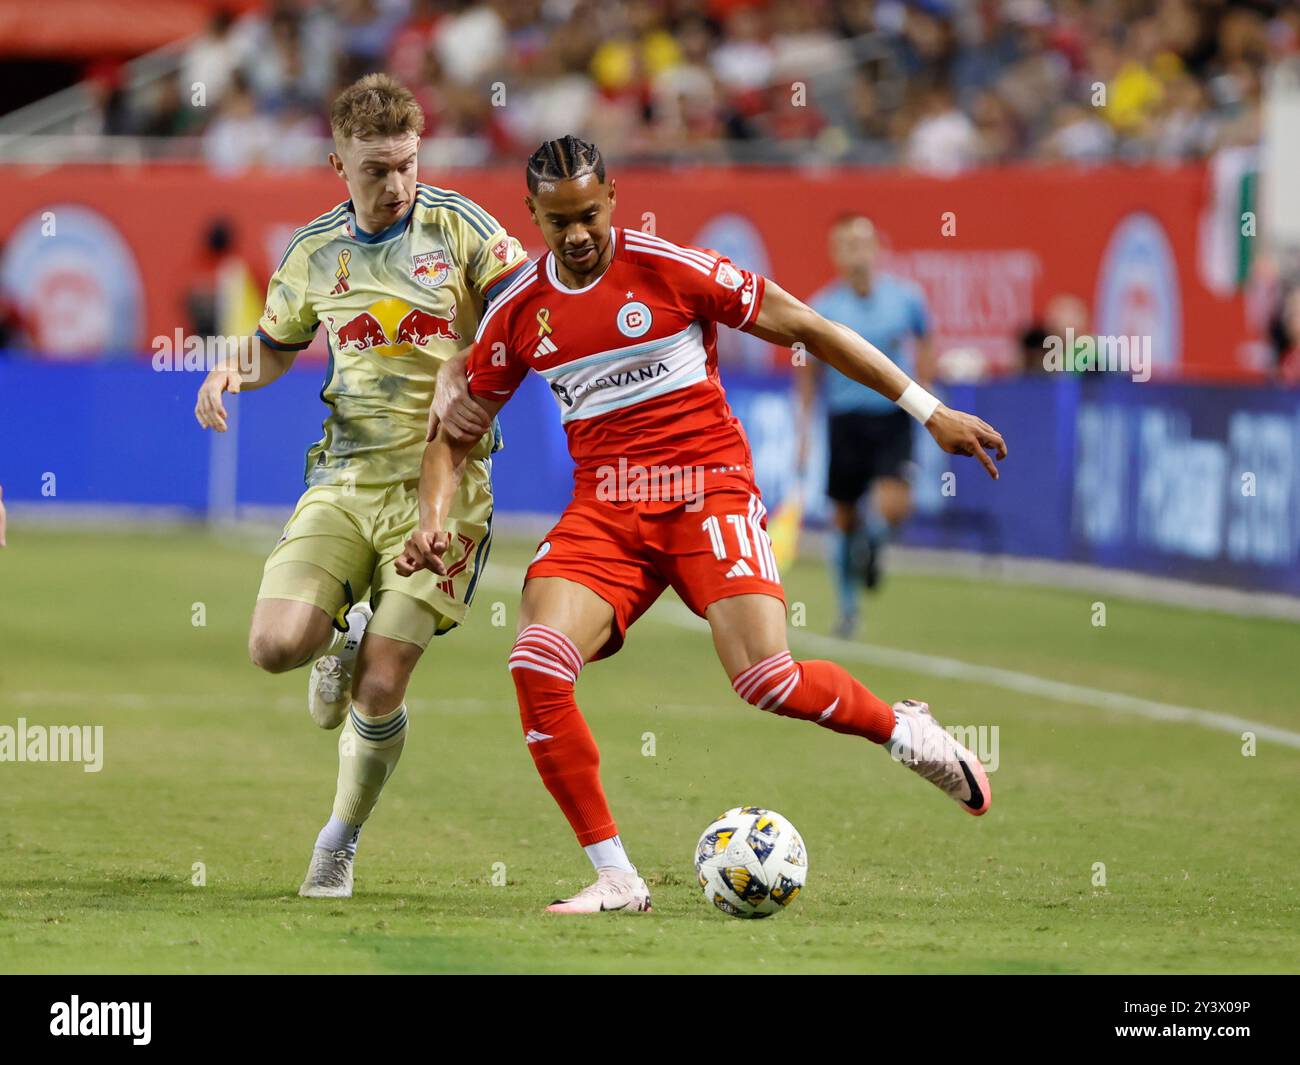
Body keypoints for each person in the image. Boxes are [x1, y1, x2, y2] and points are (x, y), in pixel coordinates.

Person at [400, 136, 1006, 915]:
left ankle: (905, 729)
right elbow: (453, 434)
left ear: (613, 197)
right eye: (559, 222)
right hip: (606, 509)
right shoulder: (519, 310)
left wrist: (931, 410)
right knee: (536, 662)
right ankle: (617, 876)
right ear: (533, 219)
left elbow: (810, 329)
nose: (579, 234)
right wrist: (433, 520)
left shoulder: (672, 268)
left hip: (706, 492)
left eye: (589, 214)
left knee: (767, 679)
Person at [194, 74, 527, 899]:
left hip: (446, 486)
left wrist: (477, 360)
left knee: (383, 680)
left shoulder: (462, 230)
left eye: (408, 163)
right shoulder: (314, 253)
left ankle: (338, 841)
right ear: (335, 161)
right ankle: (337, 635)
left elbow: (530, 308)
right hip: (345, 476)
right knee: (274, 646)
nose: (396, 183)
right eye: (376, 168)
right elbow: (277, 342)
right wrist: (231, 370)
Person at [798, 214, 934, 637]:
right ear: (835, 253)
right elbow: (807, 373)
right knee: (843, 517)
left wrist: (928, 403)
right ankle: (849, 608)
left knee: (893, 506)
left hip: (894, 415)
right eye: (847, 244)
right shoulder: (822, 307)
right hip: (845, 420)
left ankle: (873, 548)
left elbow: (925, 342)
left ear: (877, 247)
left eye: (863, 242)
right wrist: (803, 430)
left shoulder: (906, 299)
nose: (856, 252)